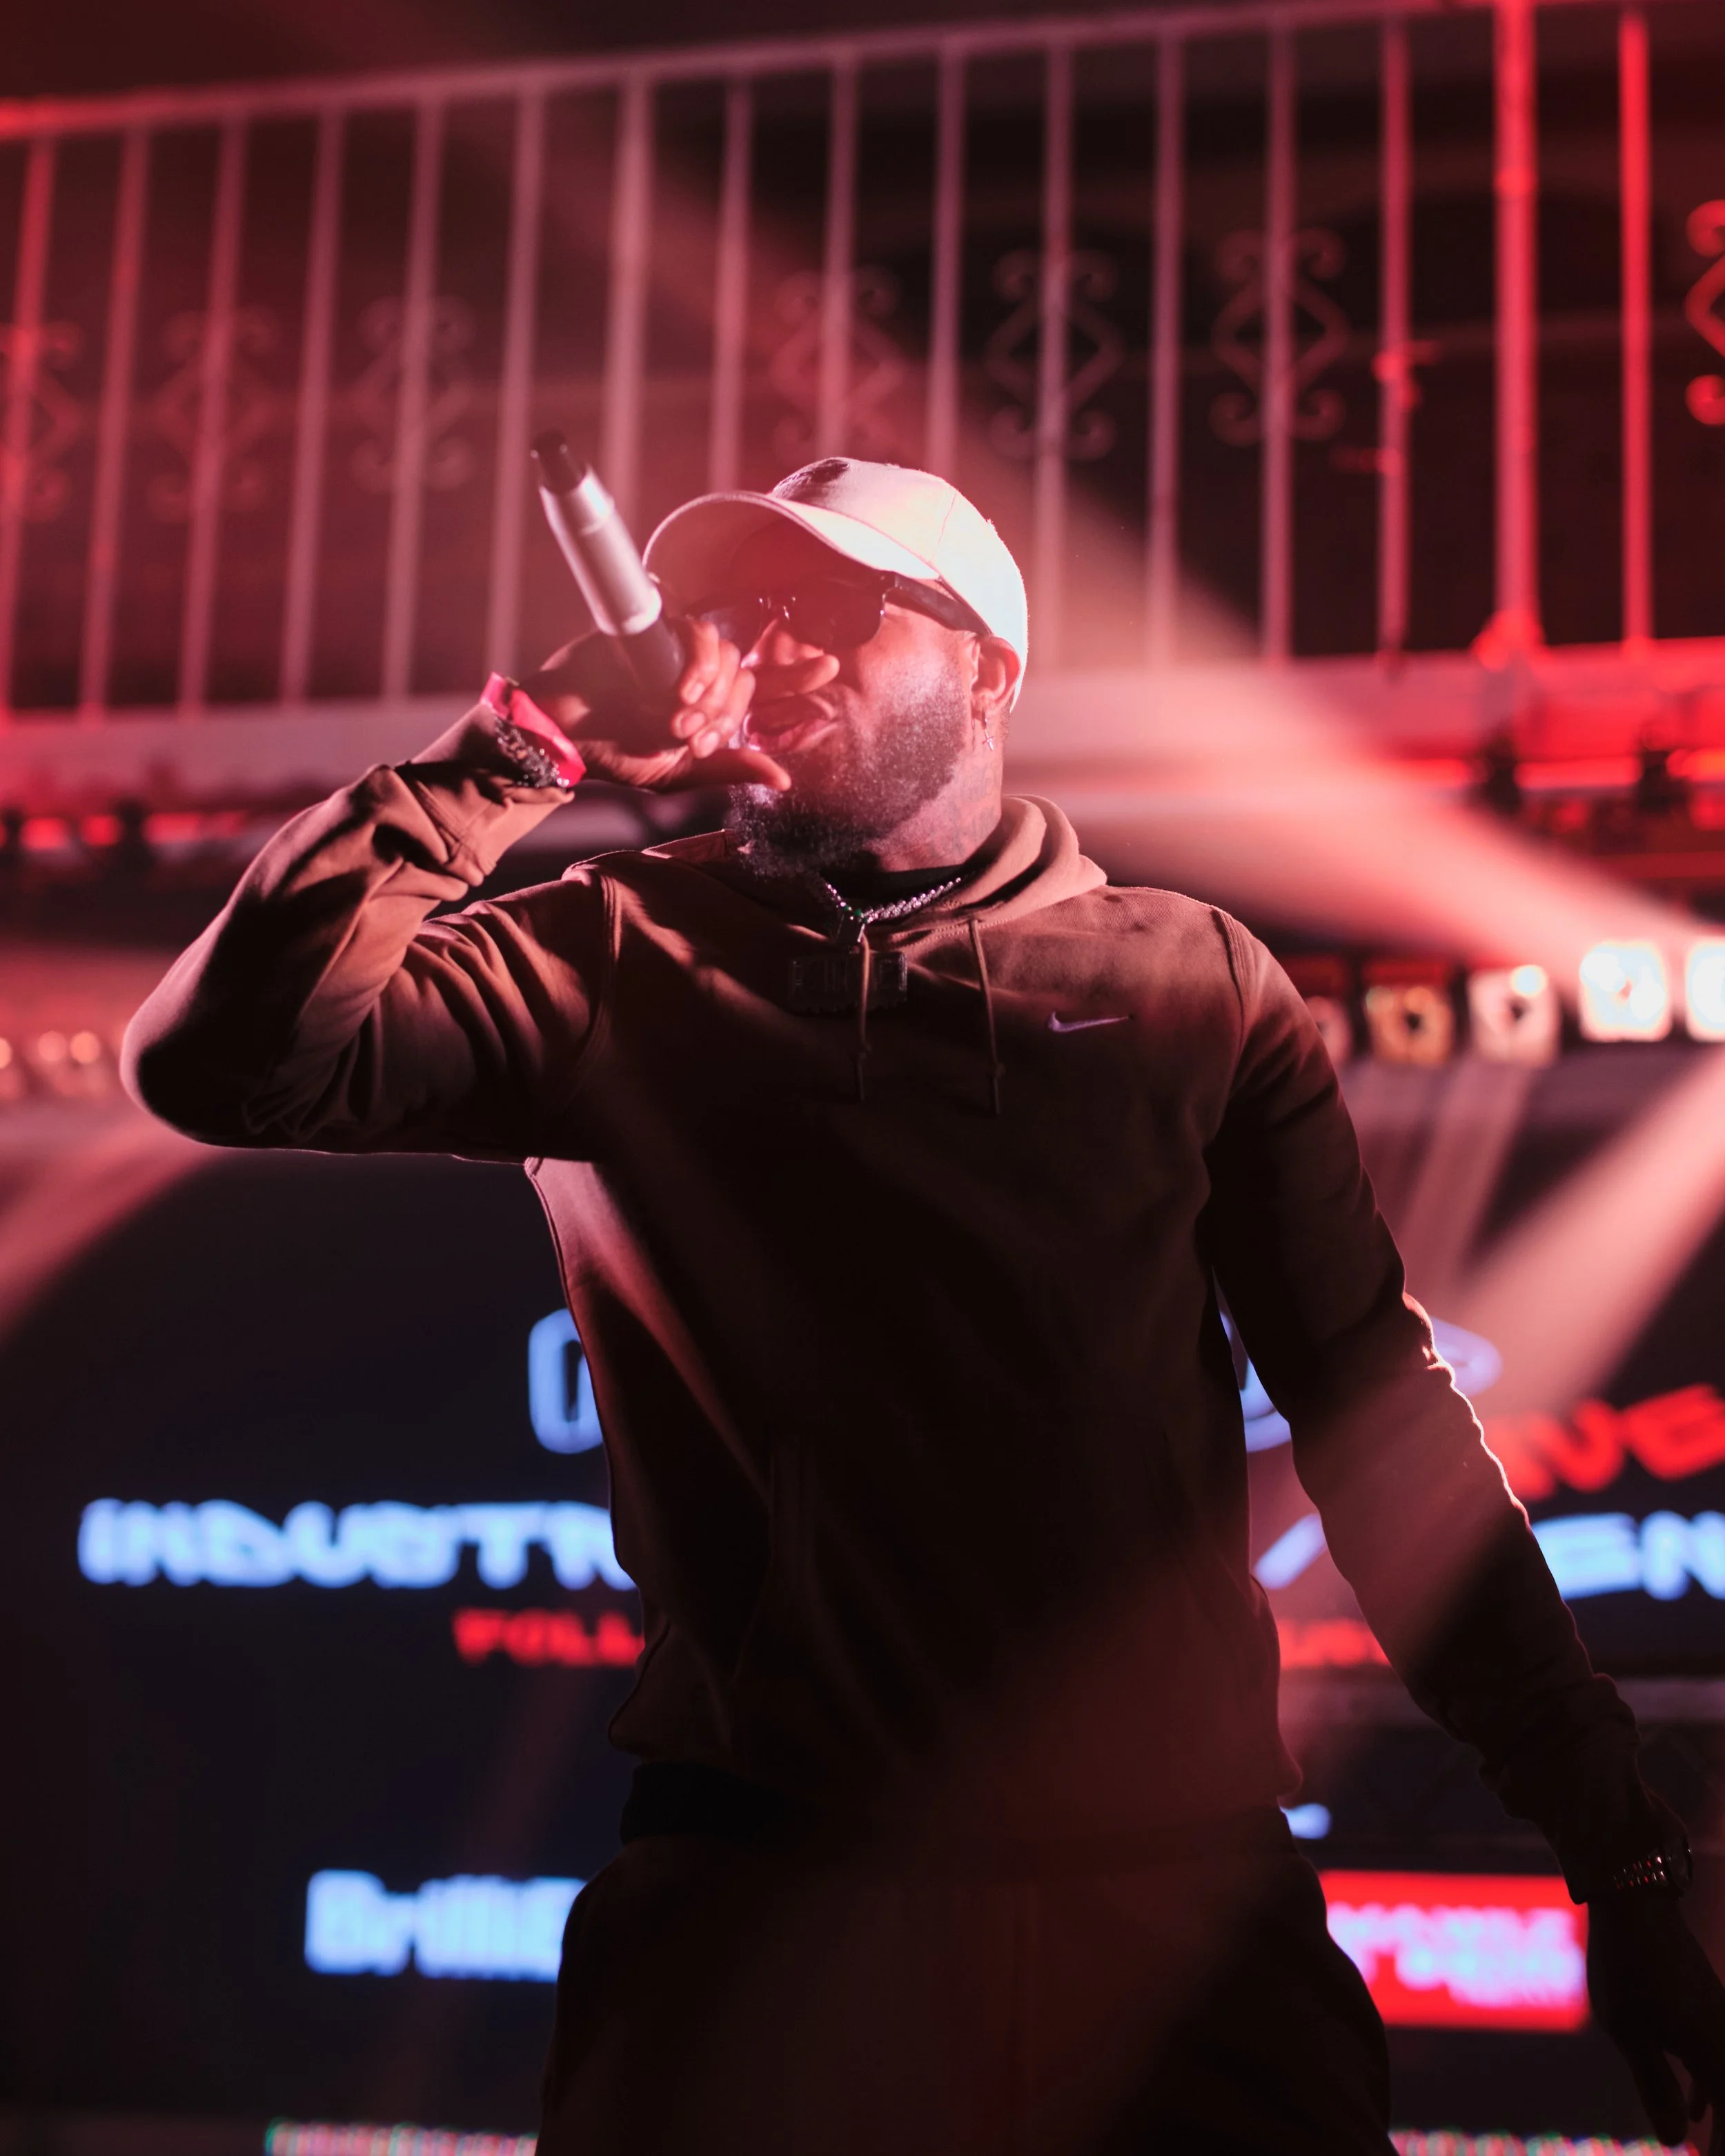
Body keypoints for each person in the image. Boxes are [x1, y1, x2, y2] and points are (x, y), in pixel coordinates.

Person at [126, 457, 1725, 2155]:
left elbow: (1378, 1424)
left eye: (828, 608)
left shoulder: (1186, 979)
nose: (760, 648)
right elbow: (225, 1059)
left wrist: (1614, 1854)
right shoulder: (615, 956)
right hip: (763, 1905)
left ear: (988, 670)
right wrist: (514, 753)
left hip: (1170, 1907)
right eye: (731, 610)